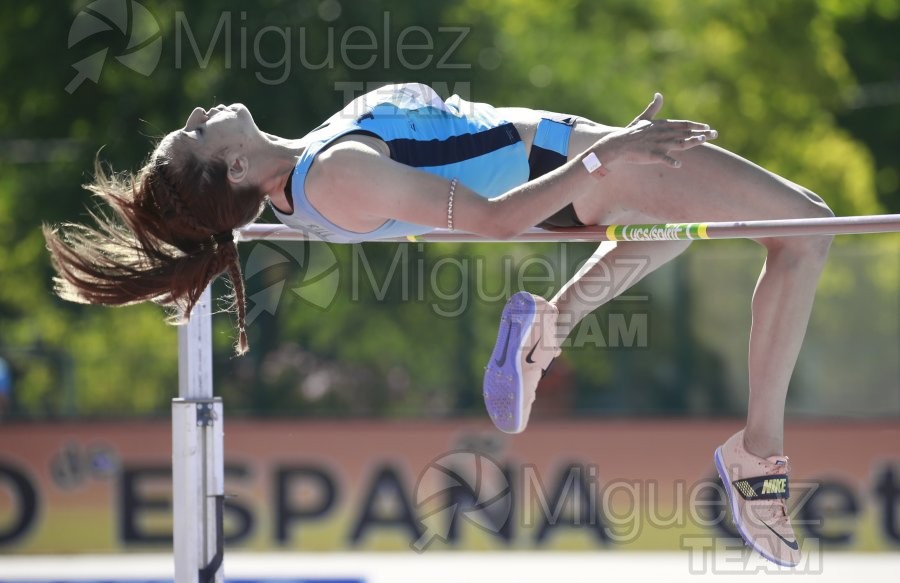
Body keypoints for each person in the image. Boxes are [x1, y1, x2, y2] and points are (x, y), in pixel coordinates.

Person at [44, 82, 832, 567]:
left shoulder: (310, 170)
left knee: (670, 230)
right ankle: (758, 450)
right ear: (237, 169)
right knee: (808, 228)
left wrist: (603, 156)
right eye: (195, 133)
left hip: (576, 169)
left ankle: (550, 326)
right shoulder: (335, 173)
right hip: (572, 176)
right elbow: (490, 221)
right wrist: (609, 156)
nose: (198, 112)